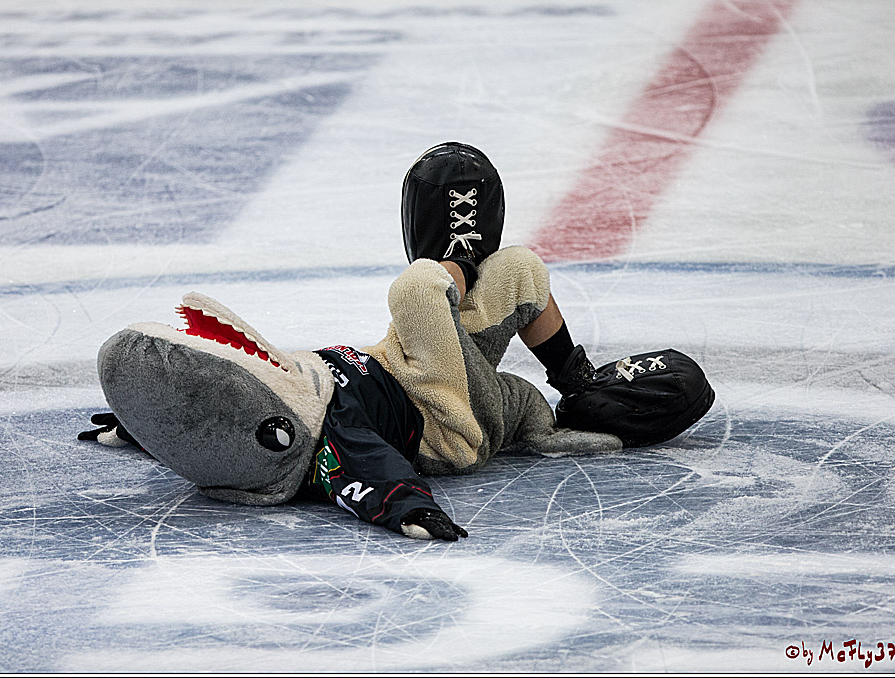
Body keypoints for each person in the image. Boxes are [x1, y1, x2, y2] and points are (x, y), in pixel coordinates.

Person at [80, 143, 711, 542]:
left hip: (409, 369)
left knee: (509, 273)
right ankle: (465, 276)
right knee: (431, 285)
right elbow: (363, 474)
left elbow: (219, 412)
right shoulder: (325, 431)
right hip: (444, 418)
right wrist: (408, 507)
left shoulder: (291, 396)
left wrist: (150, 422)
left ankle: (572, 384)